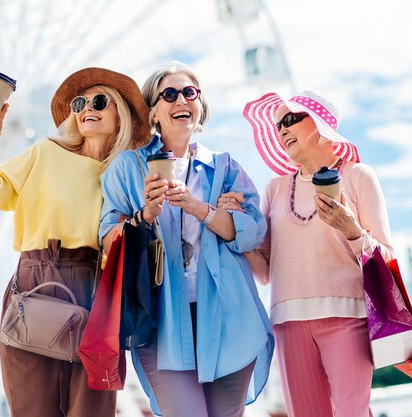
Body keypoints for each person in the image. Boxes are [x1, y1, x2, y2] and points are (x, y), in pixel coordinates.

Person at [0, 67, 149, 417]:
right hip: (37, 286)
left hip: (100, 297)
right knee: (34, 409)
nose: (86, 109)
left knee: (93, 411)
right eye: (80, 103)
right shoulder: (45, 154)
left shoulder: (129, 174)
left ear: (120, 115)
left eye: (99, 101)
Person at [99, 61, 274, 417]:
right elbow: (107, 238)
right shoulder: (128, 168)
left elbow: (252, 232)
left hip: (229, 319)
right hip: (159, 321)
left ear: (200, 104)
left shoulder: (226, 168)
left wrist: (200, 209)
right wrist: (145, 214)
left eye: (190, 92)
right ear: (153, 112)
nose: (182, 99)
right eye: (170, 93)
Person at [225, 90, 395, 417]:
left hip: (347, 318)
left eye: (291, 120)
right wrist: (237, 227)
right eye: (279, 126)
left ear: (319, 123)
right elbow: (264, 271)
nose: (283, 130)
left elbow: (386, 258)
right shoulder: (275, 189)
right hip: (288, 325)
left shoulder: (359, 176)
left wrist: (351, 230)